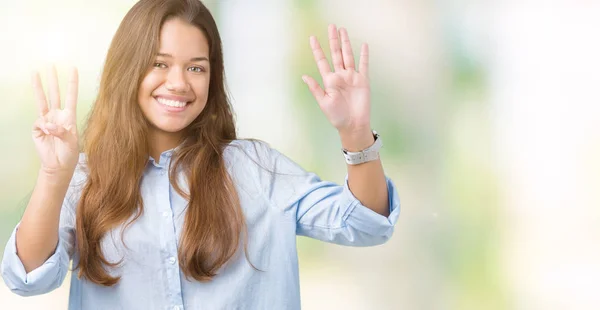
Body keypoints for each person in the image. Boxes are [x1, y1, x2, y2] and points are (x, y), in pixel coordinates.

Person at [1, 0, 400, 309]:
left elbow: (366, 224)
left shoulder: (257, 170)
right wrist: (54, 175)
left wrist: (355, 132)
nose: (178, 84)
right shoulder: (86, 180)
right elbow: (27, 277)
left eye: (196, 68)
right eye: (159, 64)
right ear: (128, 70)